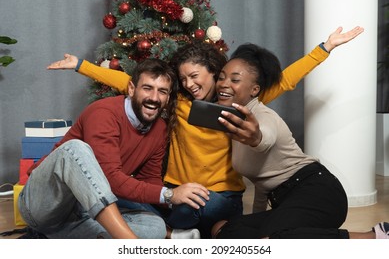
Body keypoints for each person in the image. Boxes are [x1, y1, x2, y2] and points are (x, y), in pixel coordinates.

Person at [47, 26, 364, 238]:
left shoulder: (240, 104)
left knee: (194, 208)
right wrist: (80, 65)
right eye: (183, 79)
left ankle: (178, 230)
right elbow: (130, 84)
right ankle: (178, 229)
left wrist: (324, 48)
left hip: (219, 196)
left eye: (195, 76)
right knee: (125, 194)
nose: (188, 84)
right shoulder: (177, 103)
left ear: (215, 73)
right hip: (174, 190)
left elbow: (284, 80)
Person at [211, 42, 389, 239]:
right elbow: (262, 179)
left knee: (277, 238)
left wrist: (256, 138)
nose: (224, 84)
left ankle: (374, 236)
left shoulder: (263, 116)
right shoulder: (234, 120)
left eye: (234, 80)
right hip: (286, 201)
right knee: (224, 229)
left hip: (318, 192)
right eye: (221, 77)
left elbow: (265, 137)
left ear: (254, 89)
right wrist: (258, 221)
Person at [18, 58, 209, 239]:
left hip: (82, 213)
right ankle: (129, 245)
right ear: (132, 89)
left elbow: (149, 180)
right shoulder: (103, 113)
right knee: (75, 149)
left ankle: (53, 239)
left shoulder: (159, 129)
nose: (154, 97)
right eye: (147, 88)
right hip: (44, 203)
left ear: (168, 98)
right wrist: (170, 195)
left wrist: (178, 199)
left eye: (162, 91)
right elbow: (111, 177)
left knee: (155, 227)